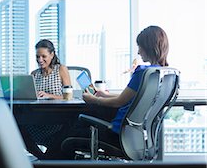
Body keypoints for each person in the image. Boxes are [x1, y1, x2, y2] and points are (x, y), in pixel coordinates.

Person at [60, 25, 170, 159]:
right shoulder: (159, 73)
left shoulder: (143, 72)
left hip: (117, 135)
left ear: (148, 47)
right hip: (137, 137)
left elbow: (119, 102)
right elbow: (134, 98)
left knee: (66, 136)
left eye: (140, 46)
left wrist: (93, 99)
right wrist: (104, 94)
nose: (139, 52)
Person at [19, 39, 71, 159]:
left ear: (52, 55)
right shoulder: (34, 74)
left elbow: (68, 97)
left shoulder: (61, 69)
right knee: (16, 127)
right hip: (37, 120)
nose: (40, 60)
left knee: (69, 127)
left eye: (43, 56)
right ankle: (43, 158)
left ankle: (45, 159)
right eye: (37, 56)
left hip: (56, 121)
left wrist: (49, 95)